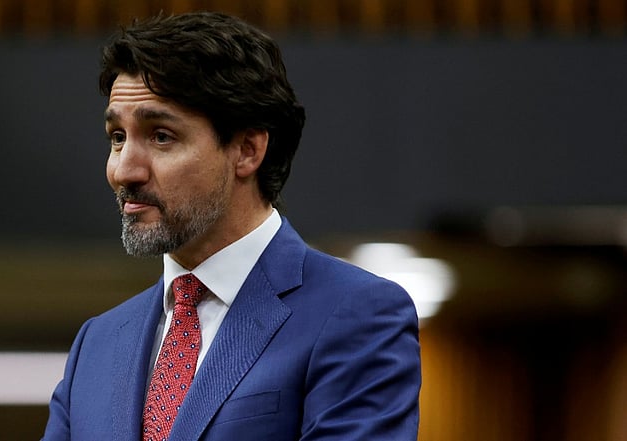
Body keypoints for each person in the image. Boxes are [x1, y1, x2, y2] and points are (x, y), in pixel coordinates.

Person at [42, 11, 420, 441]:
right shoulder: (96, 344)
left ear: (247, 150)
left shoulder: (358, 315)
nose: (123, 170)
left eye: (161, 136)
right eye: (117, 137)